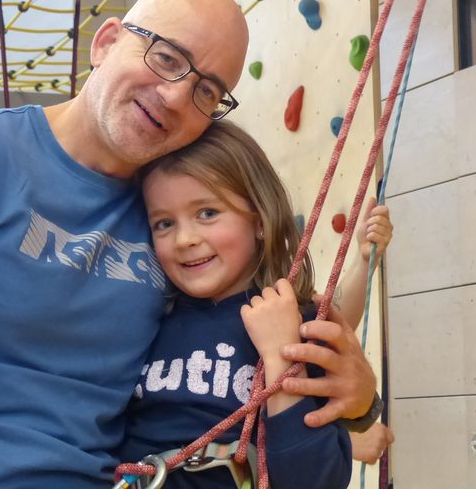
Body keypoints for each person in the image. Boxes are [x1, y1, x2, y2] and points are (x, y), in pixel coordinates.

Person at [0, 0, 379, 489]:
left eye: (206, 91)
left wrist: (355, 400)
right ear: (105, 43)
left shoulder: (171, 213)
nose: (175, 95)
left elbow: (250, 343)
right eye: (166, 57)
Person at [118, 120, 393, 488]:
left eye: (207, 213)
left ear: (260, 219)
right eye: (164, 223)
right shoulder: (151, 314)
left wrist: (281, 356)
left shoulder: (286, 316)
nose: (184, 239)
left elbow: (333, 318)